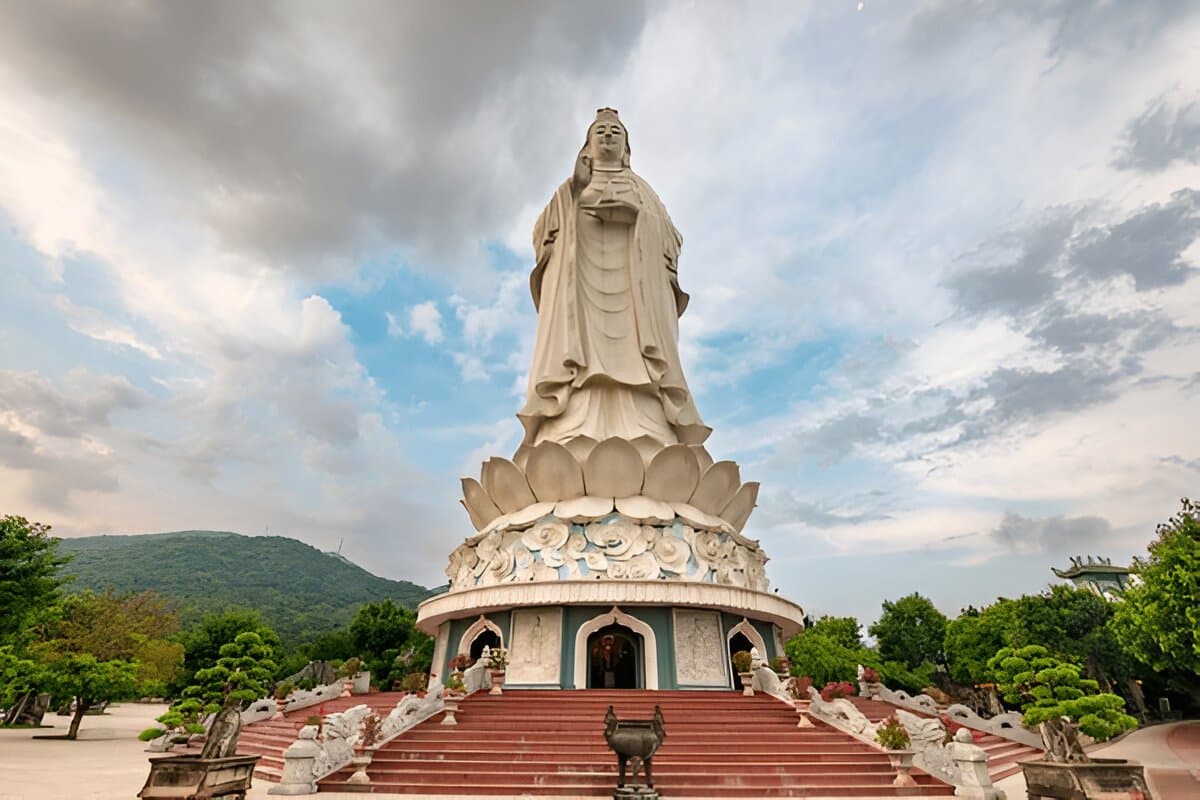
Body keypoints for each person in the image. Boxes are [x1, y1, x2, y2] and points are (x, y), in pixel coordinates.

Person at [518, 108, 710, 448]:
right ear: (587, 146)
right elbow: (542, 236)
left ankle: (649, 428)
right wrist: (574, 191)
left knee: (639, 367)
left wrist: (638, 218)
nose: (608, 136)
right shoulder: (571, 189)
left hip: (634, 304)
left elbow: (671, 240)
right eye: (601, 132)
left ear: (626, 147)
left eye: (615, 132)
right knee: (578, 364)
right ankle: (569, 426)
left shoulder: (642, 191)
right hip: (581, 304)